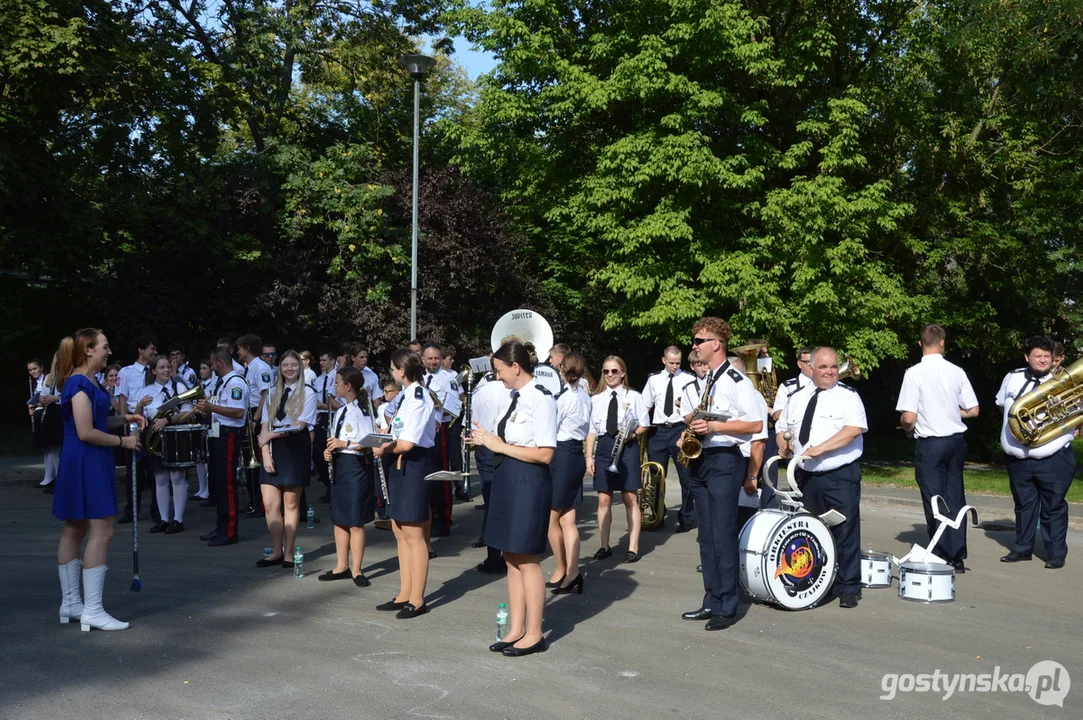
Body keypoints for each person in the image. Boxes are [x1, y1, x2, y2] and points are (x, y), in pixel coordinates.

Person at [52, 329, 146, 631]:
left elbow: (96, 421)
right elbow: (86, 431)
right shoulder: (79, 383)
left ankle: (71, 603)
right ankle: (91, 609)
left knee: (74, 529)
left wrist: (124, 420)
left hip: (81, 460)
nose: (108, 352)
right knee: (101, 533)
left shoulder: (85, 381)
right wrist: (124, 443)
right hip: (86, 461)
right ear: (88, 350)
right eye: (104, 347)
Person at [468, 341, 556, 656]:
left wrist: (500, 445)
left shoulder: (541, 399)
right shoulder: (515, 398)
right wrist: (486, 439)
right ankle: (517, 628)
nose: (498, 376)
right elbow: (512, 440)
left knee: (527, 558)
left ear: (515, 367)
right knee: (510, 557)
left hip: (528, 482)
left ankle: (535, 633)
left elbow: (545, 453)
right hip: (508, 478)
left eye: (499, 370)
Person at [678, 317, 764, 630]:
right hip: (702, 458)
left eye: (699, 341)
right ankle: (711, 600)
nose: (694, 346)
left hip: (726, 461)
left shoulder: (736, 381)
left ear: (717, 344)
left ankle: (727, 606)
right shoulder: (705, 380)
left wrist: (715, 426)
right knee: (706, 536)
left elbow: (755, 424)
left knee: (723, 534)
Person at [777, 347, 868, 608]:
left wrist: (820, 449)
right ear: (811, 368)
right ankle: (817, 583)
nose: (830, 372)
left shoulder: (848, 396)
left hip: (839, 475)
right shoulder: (795, 397)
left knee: (845, 531)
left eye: (833, 367)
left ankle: (849, 587)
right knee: (810, 533)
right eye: (823, 367)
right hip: (806, 475)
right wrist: (782, 444)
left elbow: (852, 431)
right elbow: (783, 429)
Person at [896, 324, 980, 572]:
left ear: (920, 343)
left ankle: (941, 553)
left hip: (931, 443)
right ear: (943, 343)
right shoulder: (957, 371)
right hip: (956, 441)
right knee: (955, 496)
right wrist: (950, 413)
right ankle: (958, 555)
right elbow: (973, 410)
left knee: (934, 498)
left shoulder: (914, 373)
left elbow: (909, 417)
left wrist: (906, 426)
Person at [996, 335, 1075, 569]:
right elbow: (1002, 406)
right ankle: (1022, 549)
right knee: (1023, 505)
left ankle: (1055, 553)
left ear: (1053, 359)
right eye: (1038, 356)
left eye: (1047, 357)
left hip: (1054, 458)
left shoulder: (1064, 381)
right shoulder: (1012, 377)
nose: (1043, 360)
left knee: (1054, 507)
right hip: (1018, 458)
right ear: (1027, 357)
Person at [373, 349, 438, 618]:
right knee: (400, 530)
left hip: (412, 462)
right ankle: (405, 592)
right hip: (400, 462)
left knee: (414, 533)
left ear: (401, 371)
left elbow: (408, 443)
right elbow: (398, 431)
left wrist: (383, 447)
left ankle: (418, 599)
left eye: (392, 368)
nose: (391, 372)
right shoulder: (405, 395)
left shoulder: (418, 397)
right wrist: (383, 437)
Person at [254, 350, 317, 568]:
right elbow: (265, 422)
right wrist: (264, 451)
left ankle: (289, 552)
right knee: (271, 505)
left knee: (290, 503)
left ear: (300, 367)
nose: (289, 369)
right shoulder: (272, 392)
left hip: (295, 447)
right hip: (271, 446)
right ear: (279, 369)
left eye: (294, 365)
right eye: (285, 365)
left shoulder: (308, 392)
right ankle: (276, 550)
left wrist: (270, 435)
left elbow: (300, 425)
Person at [586, 356, 649, 562]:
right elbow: (592, 430)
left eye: (614, 371)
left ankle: (633, 547)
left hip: (628, 446)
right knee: (604, 499)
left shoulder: (634, 396)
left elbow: (644, 424)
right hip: (604, 447)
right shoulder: (596, 399)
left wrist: (631, 435)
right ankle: (604, 545)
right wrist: (589, 457)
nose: (610, 375)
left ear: (622, 372)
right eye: (606, 371)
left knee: (630, 497)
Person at [320, 366, 376, 586]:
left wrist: (345, 444)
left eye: (338, 382)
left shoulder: (361, 411)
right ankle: (341, 565)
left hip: (355, 466)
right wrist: (330, 450)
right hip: (341, 464)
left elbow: (369, 441)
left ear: (348, 386)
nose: (335, 386)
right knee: (340, 519)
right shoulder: (341, 410)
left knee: (355, 521)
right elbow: (337, 438)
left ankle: (357, 570)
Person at [134, 355, 195, 535]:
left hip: (176, 435)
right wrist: (140, 405)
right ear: (154, 371)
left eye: (168, 367)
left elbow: (189, 413)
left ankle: (178, 519)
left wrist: (168, 419)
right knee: (160, 479)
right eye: (161, 367)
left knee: (177, 478)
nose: (166, 370)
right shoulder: (146, 391)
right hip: (155, 437)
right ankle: (163, 519)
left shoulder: (180, 387)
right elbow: (138, 416)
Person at [195, 348, 249, 546]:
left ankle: (230, 530)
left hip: (229, 435)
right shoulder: (223, 381)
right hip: (218, 434)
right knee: (218, 483)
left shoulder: (235, 382)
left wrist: (212, 408)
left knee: (227, 484)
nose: (211, 367)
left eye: (212, 363)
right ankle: (221, 525)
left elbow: (238, 412)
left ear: (220, 363)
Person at [548, 352, 590, 592]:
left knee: (551, 518)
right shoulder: (585, 396)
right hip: (575, 453)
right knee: (568, 519)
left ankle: (563, 568)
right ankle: (571, 572)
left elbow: (550, 428)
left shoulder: (563, 398)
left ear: (562, 369)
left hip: (562, 455)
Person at [641, 346, 695, 532]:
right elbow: (645, 407)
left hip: (680, 429)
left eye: (678, 363)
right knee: (655, 477)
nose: (674, 366)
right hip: (657, 432)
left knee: (686, 477)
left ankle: (687, 517)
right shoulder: (653, 379)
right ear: (663, 360)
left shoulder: (689, 379)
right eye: (671, 363)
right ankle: (657, 515)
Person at [470, 366, 510, 574]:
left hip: (486, 447)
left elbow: (474, 423)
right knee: (507, 502)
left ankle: (494, 556)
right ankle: (509, 552)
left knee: (491, 502)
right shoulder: (516, 392)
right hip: (508, 446)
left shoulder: (480, 391)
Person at [115, 335, 159, 525]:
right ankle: (132, 509)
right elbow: (123, 398)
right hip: (134, 418)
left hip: (153, 419)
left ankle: (158, 510)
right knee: (134, 468)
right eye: (151, 349)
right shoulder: (126, 372)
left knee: (156, 467)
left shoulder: (156, 370)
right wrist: (125, 423)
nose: (154, 352)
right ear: (140, 350)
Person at [422, 343, 456, 535]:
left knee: (441, 475)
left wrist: (438, 407)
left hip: (439, 429)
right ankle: (428, 517)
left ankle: (443, 521)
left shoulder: (448, 378)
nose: (433, 362)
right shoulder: (419, 377)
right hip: (421, 431)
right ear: (423, 359)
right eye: (430, 358)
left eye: (436, 358)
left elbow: (454, 406)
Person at [237, 334, 273, 516]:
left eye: (240, 348)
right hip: (249, 413)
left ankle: (260, 503)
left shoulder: (261, 367)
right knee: (249, 460)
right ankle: (254, 500)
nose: (238, 351)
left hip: (256, 415)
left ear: (248, 347)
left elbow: (265, 394)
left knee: (256, 458)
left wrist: (255, 419)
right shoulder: (250, 368)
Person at [29, 355, 63, 491]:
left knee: (56, 447)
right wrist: (40, 400)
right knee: (49, 447)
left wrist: (54, 398)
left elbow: (68, 395)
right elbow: (43, 395)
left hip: (58, 412)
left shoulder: (67, 376)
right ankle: (49, 477)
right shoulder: (50, 377)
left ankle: (59, 479)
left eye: (34, 368)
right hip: (47, 414)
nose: (32, 372)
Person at [312, 350, 338, 503]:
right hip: (321, 415)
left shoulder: (337, 376)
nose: (321, 363)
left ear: (332, 361)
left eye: (324, 360)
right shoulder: (320, 379)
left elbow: (332, 400)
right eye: (320, 360)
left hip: (333, 414)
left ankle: (334, 488)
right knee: (317, 454)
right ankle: (328, 484)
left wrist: (322, 405)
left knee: (331, 452)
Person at [192, 356, 214, 502]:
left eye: (205, 368)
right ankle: (201, 487)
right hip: (198, 419)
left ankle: (208, 489)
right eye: (200, 368)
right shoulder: (199, 384)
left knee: (207, 456)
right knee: (199, 457)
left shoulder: (213, 384)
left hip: (209, 419)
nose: (201, 371)